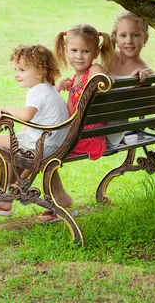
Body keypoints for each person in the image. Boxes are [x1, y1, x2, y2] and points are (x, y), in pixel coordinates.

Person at [0, 44, 69, 216]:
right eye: (16, 69)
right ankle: (4, 197)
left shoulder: (36, 92)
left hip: (43, 145)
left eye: (22, 70)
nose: (17, 74)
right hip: (57, 143)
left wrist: (6, 109)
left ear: (39, 72)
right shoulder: (49, 88)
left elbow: (26, 115)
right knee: (12, 151)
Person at [36, 24, 115, 223]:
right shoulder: (77, 77)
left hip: (89, 137)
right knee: (37, 145)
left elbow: (99, 82)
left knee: (41, 149)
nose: (79, 56)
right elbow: (73, 110)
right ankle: (51, 196)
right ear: (65, 50)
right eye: (74, 51)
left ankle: (54, 200)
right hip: (81, 134)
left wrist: (78, 87)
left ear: (96, 52)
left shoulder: (94, 70)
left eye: (85, 51)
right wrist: (65, 87)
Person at [107, 10, 154, 146]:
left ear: (145, 38)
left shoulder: (144, 73)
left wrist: (143, 84)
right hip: (96, 131)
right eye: (123, 35)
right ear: (115, 38)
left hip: (100, 136)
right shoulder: (107, 59)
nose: (129, 41)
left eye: (135, 35)